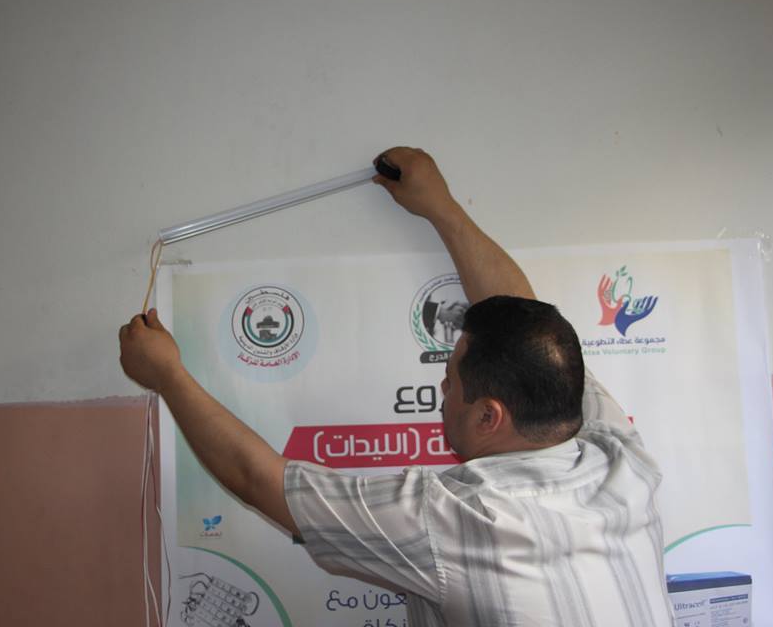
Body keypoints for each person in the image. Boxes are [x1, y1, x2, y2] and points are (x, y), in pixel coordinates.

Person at [119, 147, 674, 626]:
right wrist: (441, 206)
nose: (441, 389)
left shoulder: (459, 520)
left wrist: (167, 375)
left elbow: (258, 480)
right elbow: (522, 321)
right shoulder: (621, 456)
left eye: (450, 382)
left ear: (489, 416)